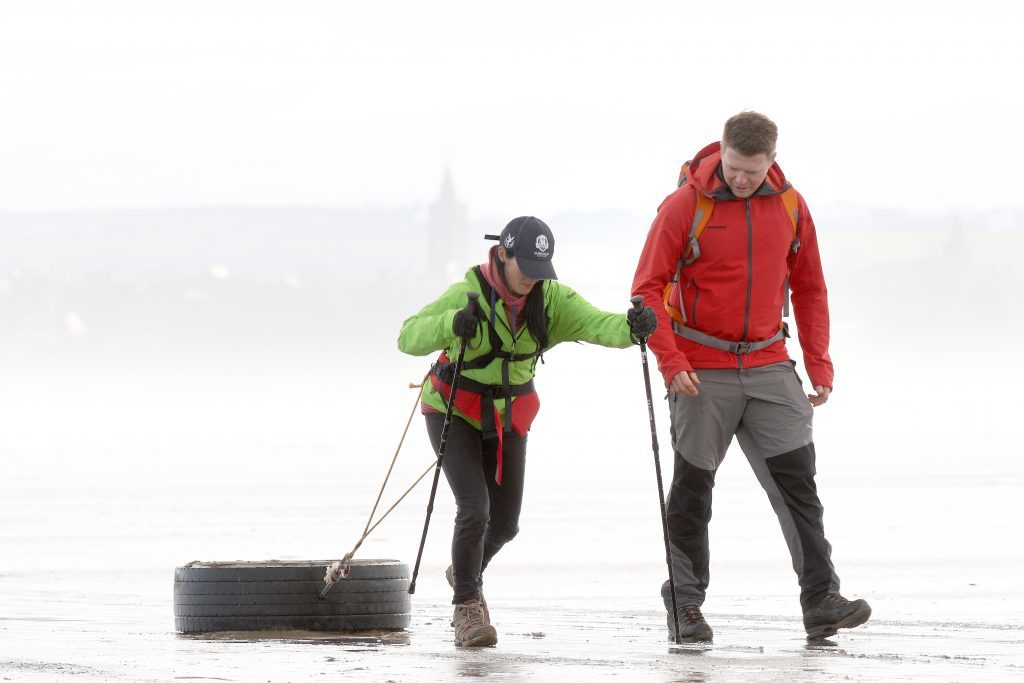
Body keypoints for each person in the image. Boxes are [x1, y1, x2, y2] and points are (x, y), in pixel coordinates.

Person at [631, 111, 871, 642]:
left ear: (771, 161)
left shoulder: (790, 205)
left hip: (768, 364)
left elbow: (810, 289)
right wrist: (672, 363)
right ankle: (685, 606)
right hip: (700, 368)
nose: (741, 179)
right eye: (735, 168)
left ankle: (822, 600)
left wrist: (819, 362)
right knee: (693, 490)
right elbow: (646, 291)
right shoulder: (683, 205)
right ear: (723, 152)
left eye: (752, 171)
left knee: (798, 486)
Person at [398, 215, 657, 647]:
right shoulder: (468, 291)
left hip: (509, 414)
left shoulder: (551, 298)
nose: (533, 281)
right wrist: (452, 324)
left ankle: (464, 570)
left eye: (541, 272)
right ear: (503, 253)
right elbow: (407, 337)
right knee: (475, 509)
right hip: (452, 409)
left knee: (506, 524)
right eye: (526, 270)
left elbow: (598, 324)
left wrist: (632, 330)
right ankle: (467, 607)